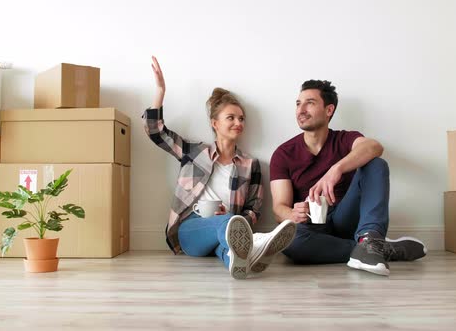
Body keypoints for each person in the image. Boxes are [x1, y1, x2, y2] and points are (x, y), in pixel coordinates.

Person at [142, 56, 296, 279]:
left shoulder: (251, 165)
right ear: (215, 123)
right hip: (191, 231)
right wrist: (160, 90)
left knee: (230, 250)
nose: (238, 123)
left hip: (225, 233)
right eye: (231, 117)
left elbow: (254, 209)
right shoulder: (193, 152)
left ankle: (240, 261)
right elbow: (155, 131)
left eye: (241, 118)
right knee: (228, 224)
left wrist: (234, 217)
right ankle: (258, 243)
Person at [270, 79, 426, 276]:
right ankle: (374, 248)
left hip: (347, 218)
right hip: (311, 229)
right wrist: (293, 213)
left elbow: (374, 147)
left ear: (329, 110)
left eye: (309, 102)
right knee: (290, 242)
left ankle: (370, 239)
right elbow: (278, 208)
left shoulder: (344, 139)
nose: (301, 109)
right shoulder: (284, 153)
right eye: (298, 103)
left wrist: (336, 169)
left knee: (376, 164)